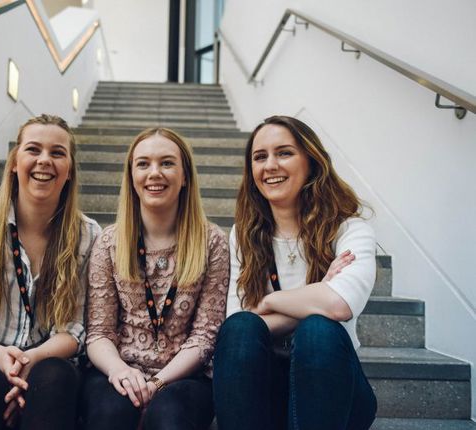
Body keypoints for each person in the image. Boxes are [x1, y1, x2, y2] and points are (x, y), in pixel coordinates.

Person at [0, 114, 101, 430]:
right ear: (14, 162)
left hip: (50, 367)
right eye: (33, 150)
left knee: (53, 379)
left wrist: (30, 362)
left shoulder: (88, 234)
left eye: (57, 153)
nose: (44, 161)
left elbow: (76, 330)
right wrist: (2, 360)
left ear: (69, 171)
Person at [213, 115, 377, 430]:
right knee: (241, 329)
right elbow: (241, 322)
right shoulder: (243, 235)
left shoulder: (350, 230)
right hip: (266, 390)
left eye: (284, 153)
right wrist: (316, 294)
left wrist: (269, 303)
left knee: (318, 330)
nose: (270, 165)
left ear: (311, 162)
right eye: (260, 157)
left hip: (335, 388)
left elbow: (339, 305)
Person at [81, 128, 229, 430]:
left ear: (185, 176)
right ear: (131, 175)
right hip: (118, 369)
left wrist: (158, 383)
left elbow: (205, 336)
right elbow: (98, 333)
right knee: (110, 417)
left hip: (185, 376)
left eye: (167, 163)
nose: (154, 173)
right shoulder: (109, 242)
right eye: (143, 163)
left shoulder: (212, 242)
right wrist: (121, 372)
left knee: (170, 420)